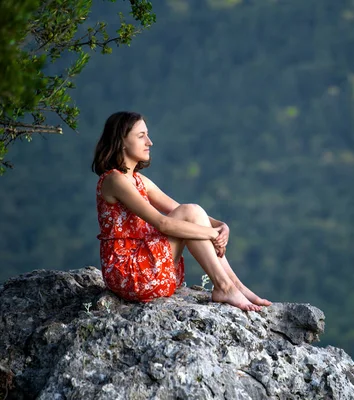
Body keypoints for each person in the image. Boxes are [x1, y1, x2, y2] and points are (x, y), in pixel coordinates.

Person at [91, 111, 271, 311]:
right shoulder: (114, 180)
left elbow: (181, 211)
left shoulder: (138, 180)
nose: (149, 142)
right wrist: (211, 234)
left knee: (192, 210)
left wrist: (221, 226)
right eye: (141, 136)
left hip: (152, 272)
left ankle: (235, 286)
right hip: (129, 274)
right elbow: (163, 223)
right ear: (121, 141)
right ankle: (225, 286)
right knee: (190, 212)